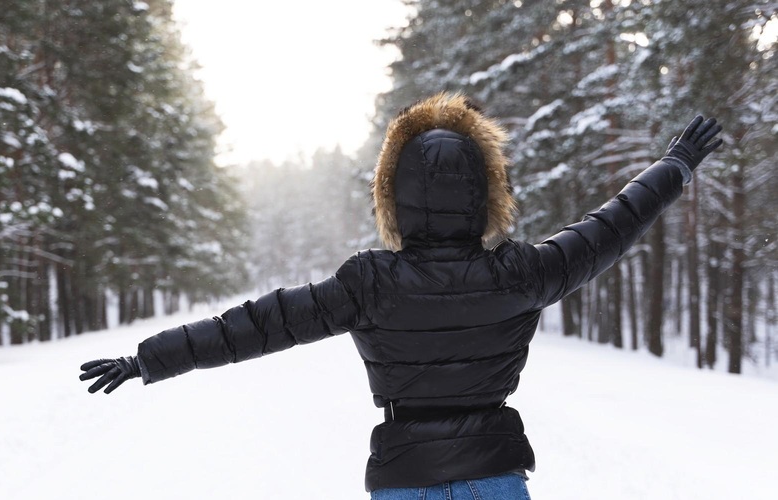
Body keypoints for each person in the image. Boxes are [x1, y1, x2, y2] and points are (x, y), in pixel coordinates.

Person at [80, 92, 722, 499]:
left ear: (391, 196)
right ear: (487, 192)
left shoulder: (369, 283)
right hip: (494, 478)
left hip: (403, 478)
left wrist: (148, 360)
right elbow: (613, 225)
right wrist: (676, 164)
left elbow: (255, 326)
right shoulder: (520, 273)